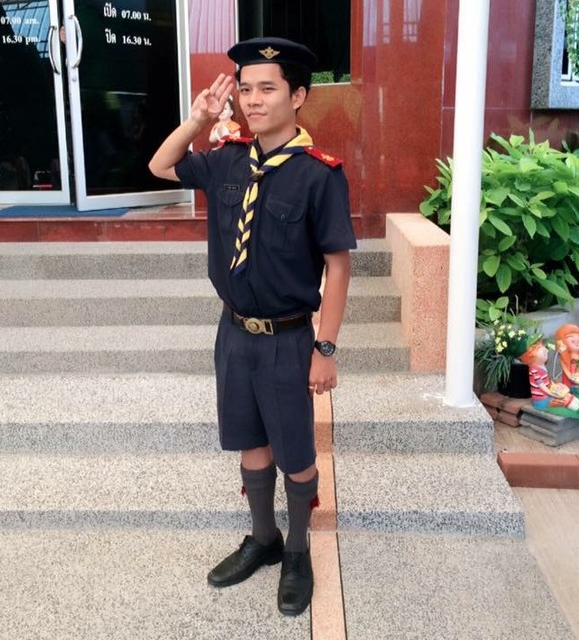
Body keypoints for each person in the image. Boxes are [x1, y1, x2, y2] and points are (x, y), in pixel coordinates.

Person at [149, 37, 356, 616]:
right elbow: (160, 165)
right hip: (234, 334)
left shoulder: (319, 176)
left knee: (296, 452)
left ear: (299, 96)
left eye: (268, 88)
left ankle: (297, 551)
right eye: (245, 89)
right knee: (250, 441)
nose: (252, 100)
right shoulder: (227, 159)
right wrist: (198, 120)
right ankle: (263, 538)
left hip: (288, 338)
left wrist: (325, 347)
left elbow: (339, 266)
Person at [518, 337, 579, 417]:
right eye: (542, 351)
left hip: (547, 394)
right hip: (542, 399)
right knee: (564, 400)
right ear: (531, 356)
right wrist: (555, 395)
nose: (546, 350)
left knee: (568, 395)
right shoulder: (534, 370)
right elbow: (542, 387)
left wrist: (555, 385)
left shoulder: (541, 366)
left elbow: (546, 381)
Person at [554, 323, 579, 402]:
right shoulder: (565, 357)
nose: (577, 340)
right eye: (571, 338)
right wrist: (577, 380)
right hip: (573, 385)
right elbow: (569, 375)